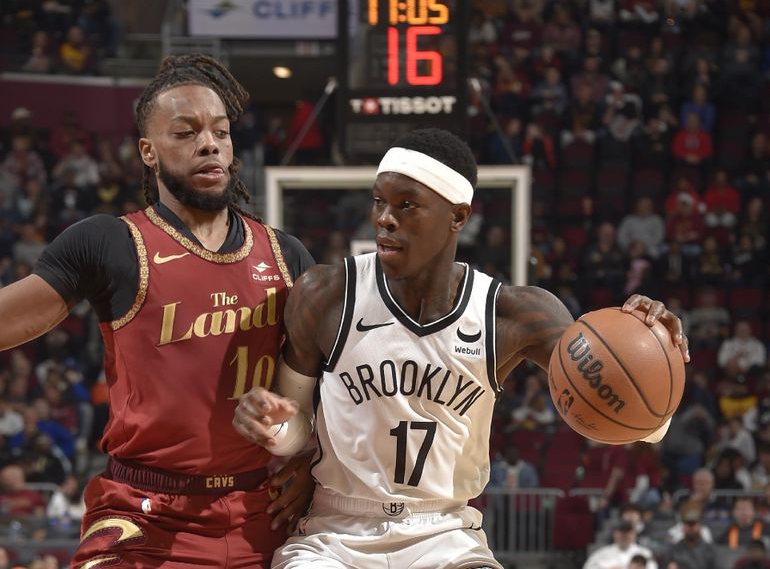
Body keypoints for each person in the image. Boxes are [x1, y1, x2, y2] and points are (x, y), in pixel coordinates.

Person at [233, 128, 690, 568]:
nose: (384, 218)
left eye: (407, 205)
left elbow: (644, 425)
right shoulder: (326, 293)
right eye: (379, 201)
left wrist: (649, 347)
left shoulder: (512, 314)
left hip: (445, 534)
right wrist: (275, 428)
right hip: (336, 532)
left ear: (458, 216)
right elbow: (292, 431)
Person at [0, 55, 315, 566]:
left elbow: (327, 391)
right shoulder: (110, 243)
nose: (209, 143)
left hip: (265, 510)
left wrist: (310, 457)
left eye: (221, 131)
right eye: (186, 133)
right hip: (146, 512)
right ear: (148, 151)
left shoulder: (287, 254)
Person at [583, 520, 658, 569]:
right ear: (614, 534)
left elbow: (653, 567)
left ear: (634, 534)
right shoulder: (602, 553)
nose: (625, 536)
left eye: (628, 532)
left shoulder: (644, 553)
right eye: (621, 532)